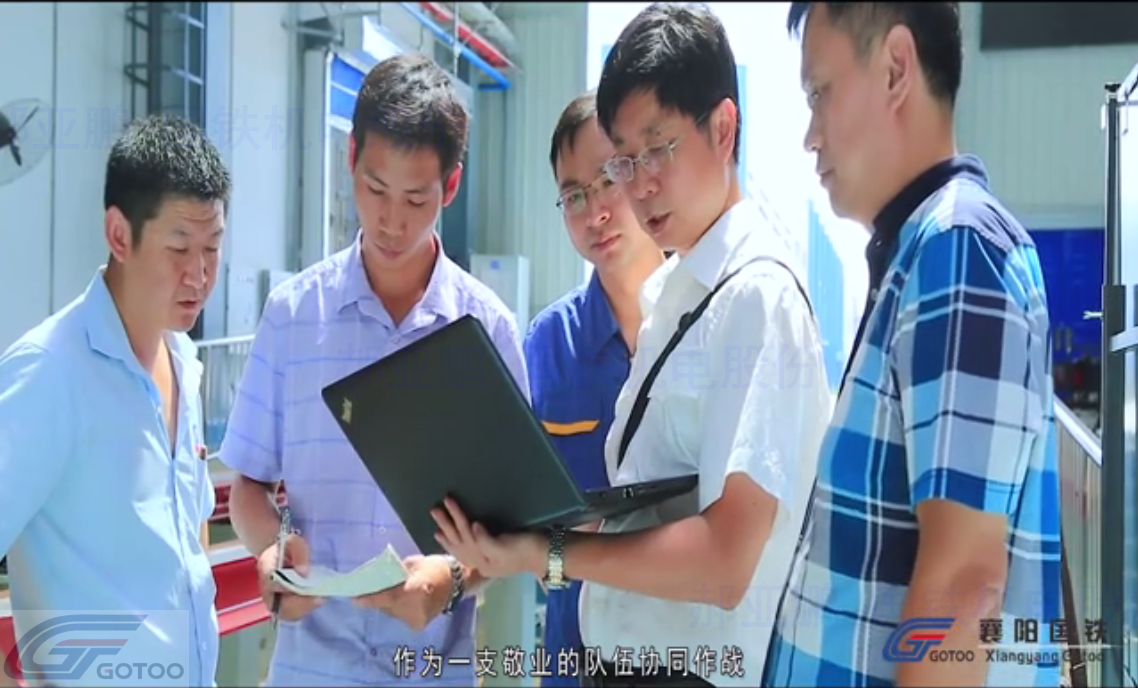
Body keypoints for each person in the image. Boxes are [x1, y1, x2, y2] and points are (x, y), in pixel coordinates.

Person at [431, 4, 833, 686]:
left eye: (657, 150)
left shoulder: (754, 299)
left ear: (723, 129)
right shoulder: (680, 297)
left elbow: (725, 561)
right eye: (624, 161)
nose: (637, 185)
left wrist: (547, 553)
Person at [763, 4, 1059, 687]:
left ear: (896, 68)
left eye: (819, 93)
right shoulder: (921, 253)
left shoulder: (958, 251)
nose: (809, 135)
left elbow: (964, 589)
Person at [217, 53, 527, 687]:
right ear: (351, 156)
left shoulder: (487, 330)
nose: (390, 220)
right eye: (375, 189)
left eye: (415, 198)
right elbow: (248, 484)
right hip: (310, 671)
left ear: (451, 186)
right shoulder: (293, 316)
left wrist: (453, 578)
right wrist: (272, 549)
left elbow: (513, 526)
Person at [0, 114, 229, 687]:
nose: (200, 274)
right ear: (120, 235)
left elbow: (190, 540)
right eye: (179, 248)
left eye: (213, 247)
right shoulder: (49, 372)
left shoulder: (185, 363)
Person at [527, 91, 665, 687]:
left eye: (608, 180)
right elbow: (527, 526)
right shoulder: (547, 346)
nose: (595, 213)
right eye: (574, 196)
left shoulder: (707, 324)